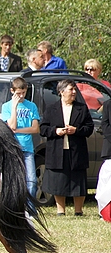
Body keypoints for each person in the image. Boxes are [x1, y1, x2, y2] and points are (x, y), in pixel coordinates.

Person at [39, 79, 94, 216]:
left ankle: (78, 211)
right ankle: (60, 211)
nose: (74, 92)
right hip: (57, 151)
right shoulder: (52, 108)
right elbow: (43, 128)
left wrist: (76, 130)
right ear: (61, 92)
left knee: (78, 181)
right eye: (71, 89)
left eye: (75, 89)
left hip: (76, 151)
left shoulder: (81, 108)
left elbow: (89, 128)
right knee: (59, 181)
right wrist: (55, 131)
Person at [1, 77, 40, 217]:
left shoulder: (32, 106)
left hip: (27, 148)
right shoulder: (6, 107)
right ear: (12, 91)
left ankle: (30, 210)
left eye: (24, 93)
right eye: (18, 93)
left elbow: (35, 129)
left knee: (31, 181)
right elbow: (11, 126)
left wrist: (18, 131)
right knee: (14, 181)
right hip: (12, 148)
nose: (21, 96)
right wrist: (14, 106)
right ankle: (14, 210)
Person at [96, 99, 111, 222]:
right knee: (106, 183)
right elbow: (105, 125)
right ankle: (105, 211)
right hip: (110, 151)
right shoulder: (108, 104)